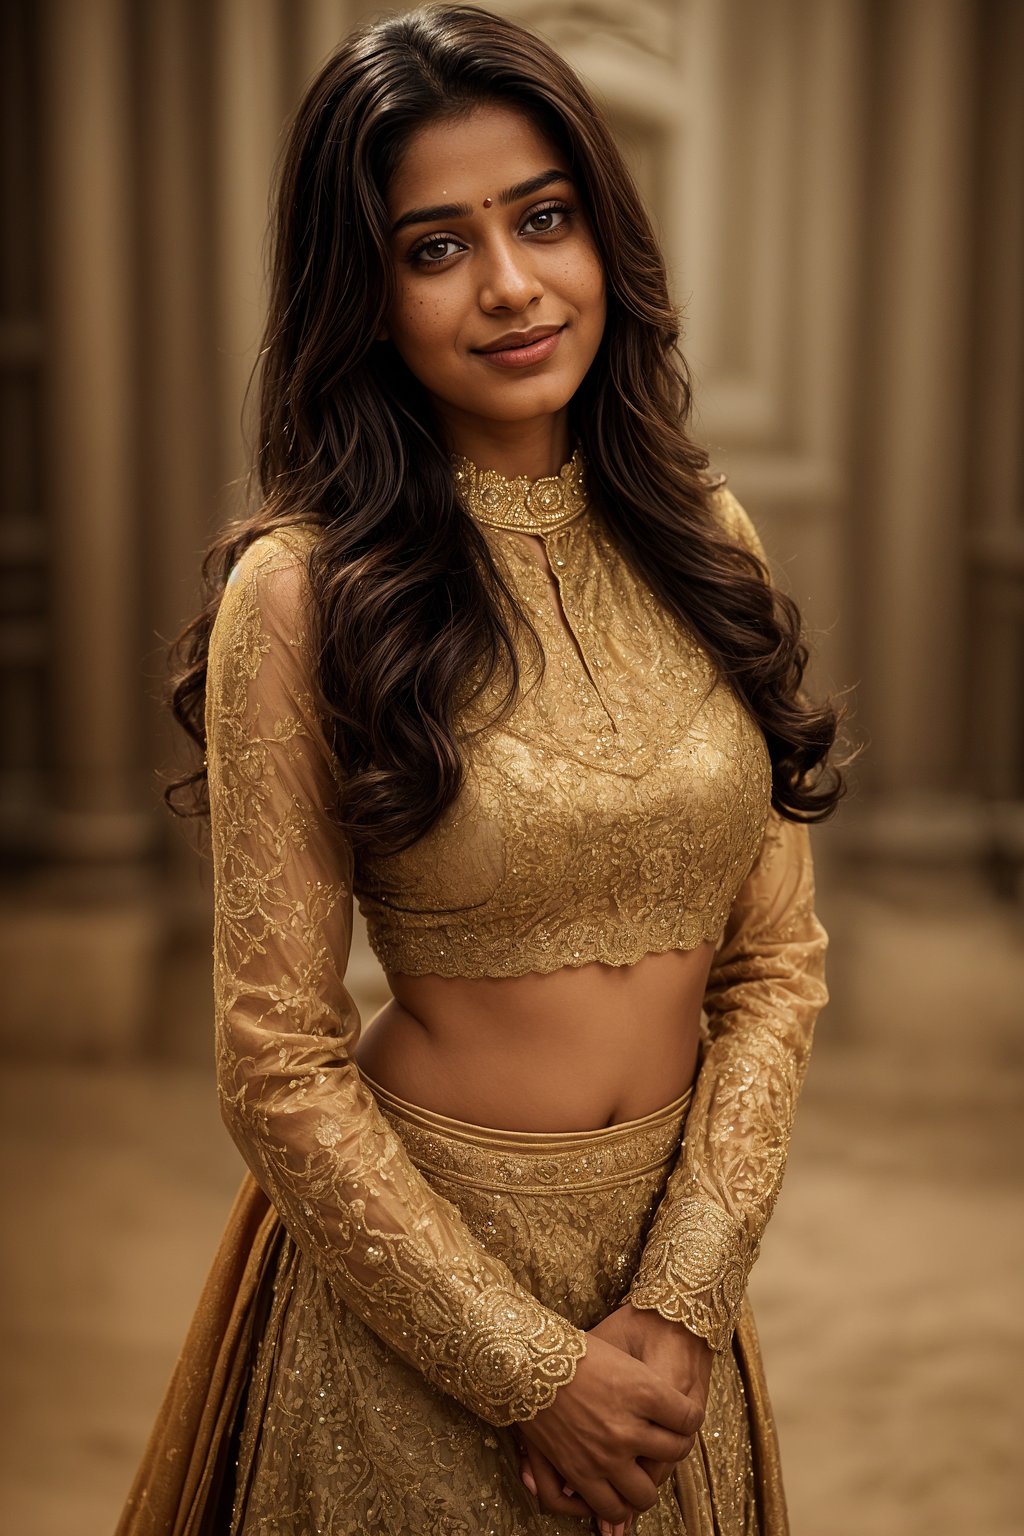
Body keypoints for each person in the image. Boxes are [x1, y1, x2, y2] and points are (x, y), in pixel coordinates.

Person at [117, 5, 844, 1533]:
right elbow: (279, 1065)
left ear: (603, 235)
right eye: (435, 246)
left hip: (670, 1290)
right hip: (418, 1297)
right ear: (365, 293)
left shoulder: (707, 543)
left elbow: (774, 964)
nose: (510, 285)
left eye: (544, 219)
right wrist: (533, 1372)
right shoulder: (307, 595)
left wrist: (681, 1296)